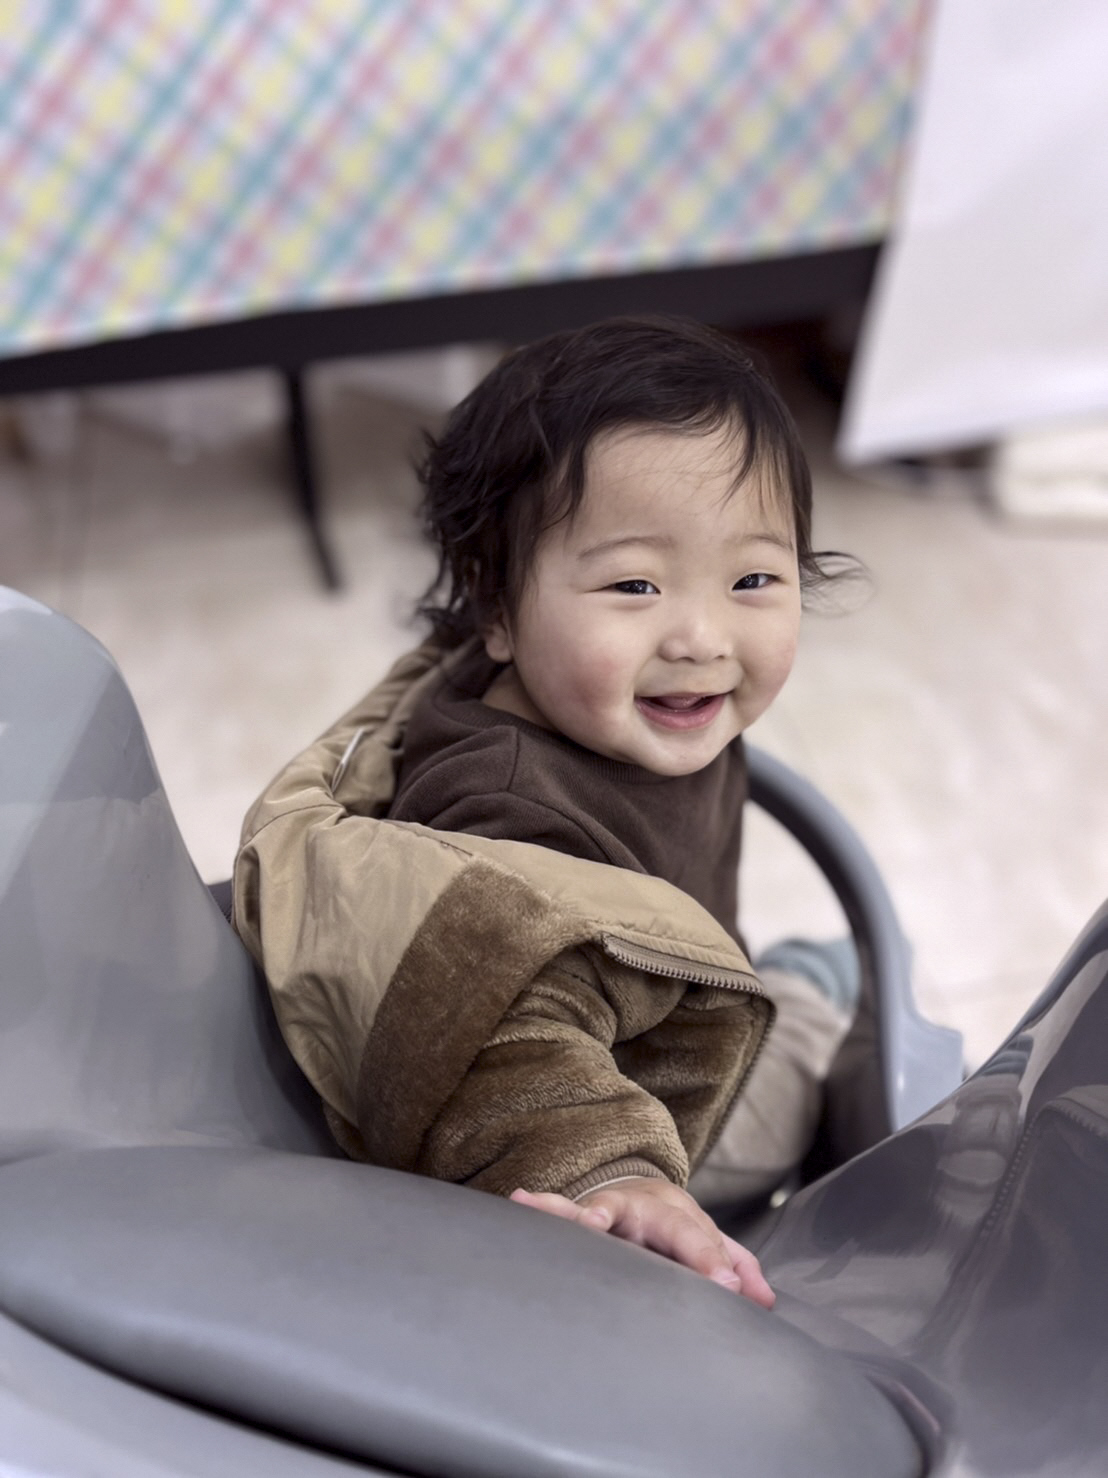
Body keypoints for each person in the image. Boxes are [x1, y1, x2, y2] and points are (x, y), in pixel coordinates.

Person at [233, 315, 853, 1311]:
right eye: (634, 583)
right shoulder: (498, 811)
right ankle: (812, 992)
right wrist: (609, 1173)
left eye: (751, 578)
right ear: (495, 607)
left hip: (654, 992)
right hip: (631, 1109)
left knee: (777, 980)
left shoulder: (621, 704)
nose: (701, 634)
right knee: (812, 1062)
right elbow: (506, 1028)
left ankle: (791, 974)